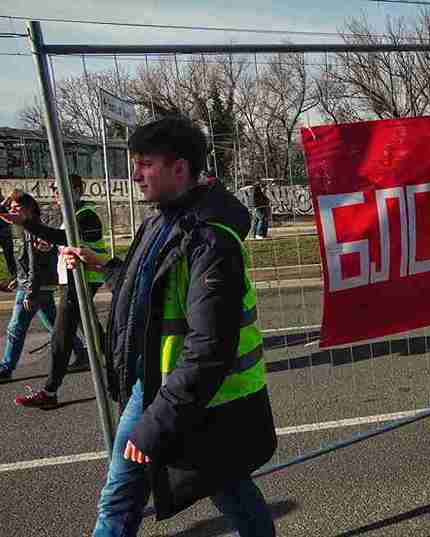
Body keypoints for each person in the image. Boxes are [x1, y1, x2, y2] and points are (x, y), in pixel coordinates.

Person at [62, 116, 277, 536]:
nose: (135, 175)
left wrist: (155, 422)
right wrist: (103, 264)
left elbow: (208, 347)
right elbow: (147, 292)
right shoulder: (161, 222)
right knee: (220, 487)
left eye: (145, 164)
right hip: (165, 388)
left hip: (191, 398)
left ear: (179, 168)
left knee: (135, 495)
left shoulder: (210, 242)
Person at [1, 173, 106, 408]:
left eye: (60, 189)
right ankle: (121, 368)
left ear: (77, 189)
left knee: (62, 334)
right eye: (54, 189)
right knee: (85, 330)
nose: (56, 194)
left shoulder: (86, 214)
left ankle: (50, 392)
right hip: (72, 279)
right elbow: (64, 241)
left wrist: (27, 223)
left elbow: (67, 237)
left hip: (83, 279)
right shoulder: (71, 214)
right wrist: (51, 245)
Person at [0, 191, 83, 382]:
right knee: (56, 325)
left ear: (28, 209)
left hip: (34, 287)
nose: (12, 212)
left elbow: (37, 264)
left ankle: (6, 367)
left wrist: (30, 292)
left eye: (16, 208)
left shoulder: (34, 230)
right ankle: (80, 351)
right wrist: (19, 278)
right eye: (10, 208)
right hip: (34, 285)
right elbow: (28, 262)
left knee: (16, 328)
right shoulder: (29, 227)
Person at [0, 188, 18, 281]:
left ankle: (13, 275)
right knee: (9, 255)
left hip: (5, 232)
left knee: (9, 256)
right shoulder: (3, 202)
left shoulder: (3, 202)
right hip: (4, 232)